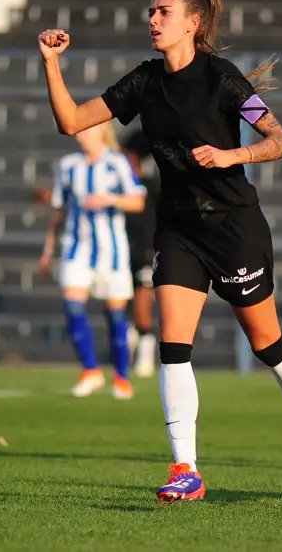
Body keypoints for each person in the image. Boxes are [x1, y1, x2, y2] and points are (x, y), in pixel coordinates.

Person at [37, 0, 282, 504]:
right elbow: (70, 122)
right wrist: (50, 62)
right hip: (177, 228)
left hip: (233, 226)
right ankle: (186, 469)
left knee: (267, 344)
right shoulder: (144, 81)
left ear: (193, 22)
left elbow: (280, 142)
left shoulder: (223, 80)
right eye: (150, 11)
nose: (152, 20)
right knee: (172, 347)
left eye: (163, 11)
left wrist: (232, 157)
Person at [39, 121, 146, 399]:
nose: (82, 133)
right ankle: (90, 370)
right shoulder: (68, 165)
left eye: (88, 128)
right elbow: (59, 210)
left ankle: (121, 377)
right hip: (76, 248)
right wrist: (48, 249)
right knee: (72, 304)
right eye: (81, 128)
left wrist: (110, 199)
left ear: (102, 131)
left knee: (114, 314)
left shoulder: (117, 162)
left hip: (111, 253)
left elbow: (138, 201)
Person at [120, 128, 159, 378]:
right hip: (122, 249)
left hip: (147, 250)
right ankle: (129, 342)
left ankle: (146, 351)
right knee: (125, 302)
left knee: (143, 303)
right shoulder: (118, 184)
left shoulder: (152, 186)